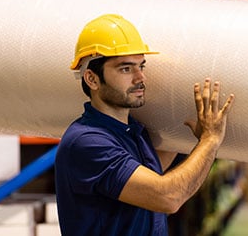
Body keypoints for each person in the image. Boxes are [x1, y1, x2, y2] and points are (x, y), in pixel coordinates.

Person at [54, 14, 235, 236]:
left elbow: (149, 176)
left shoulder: (132, 131)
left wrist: (191, 138)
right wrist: (210, 140)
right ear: (92, 79)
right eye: (125, 69)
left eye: (142, 66)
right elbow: (167, 197)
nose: (141, 78)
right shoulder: (87, 142)